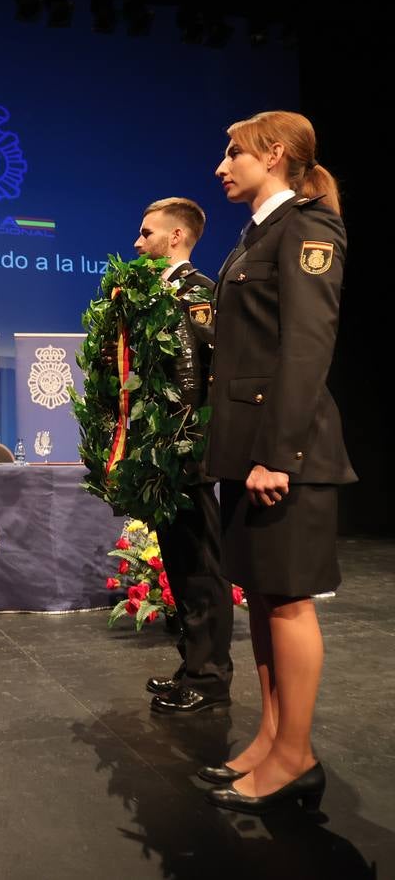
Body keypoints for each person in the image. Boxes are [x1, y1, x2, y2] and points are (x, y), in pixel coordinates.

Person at [202, 112, 356, 814]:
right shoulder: (253, 240)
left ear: (275, 153)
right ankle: (272, 740)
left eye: (233, 153)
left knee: (288, 602)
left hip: (283, 454)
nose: (221, 166)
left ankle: (296, 757)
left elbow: (305, 349)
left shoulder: (307, 228)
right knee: (262, 599)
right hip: (249, 452)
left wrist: (277, 455)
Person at [132, 198, 235, 716]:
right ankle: (191, 664)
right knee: (179, 564)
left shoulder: (199, 294)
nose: (137, 242)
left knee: (202, 567)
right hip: (162, 455)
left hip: (189, 453)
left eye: (146, 233)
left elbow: (213, 378)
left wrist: (198, 445)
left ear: (175, 237)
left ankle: (211, 677)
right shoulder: (153, 296)